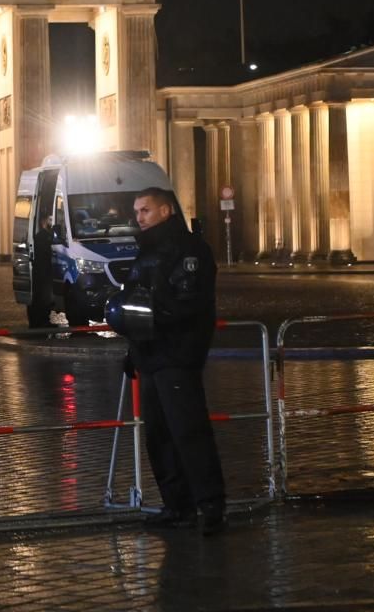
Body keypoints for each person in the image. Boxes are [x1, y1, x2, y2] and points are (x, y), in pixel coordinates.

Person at [124, 186, 226, 536]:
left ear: (166, 211)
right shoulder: (145, 252)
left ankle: (210, 505)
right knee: (159, 436)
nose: (139, 217)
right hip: (150, 355)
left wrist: (154, 317)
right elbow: (135, 298)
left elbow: (188, 303)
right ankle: (176, 504)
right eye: (136, 211)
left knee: (189, 433)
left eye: (145, 210)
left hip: (178, 354)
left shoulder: (190, 250)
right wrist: (131, 346)